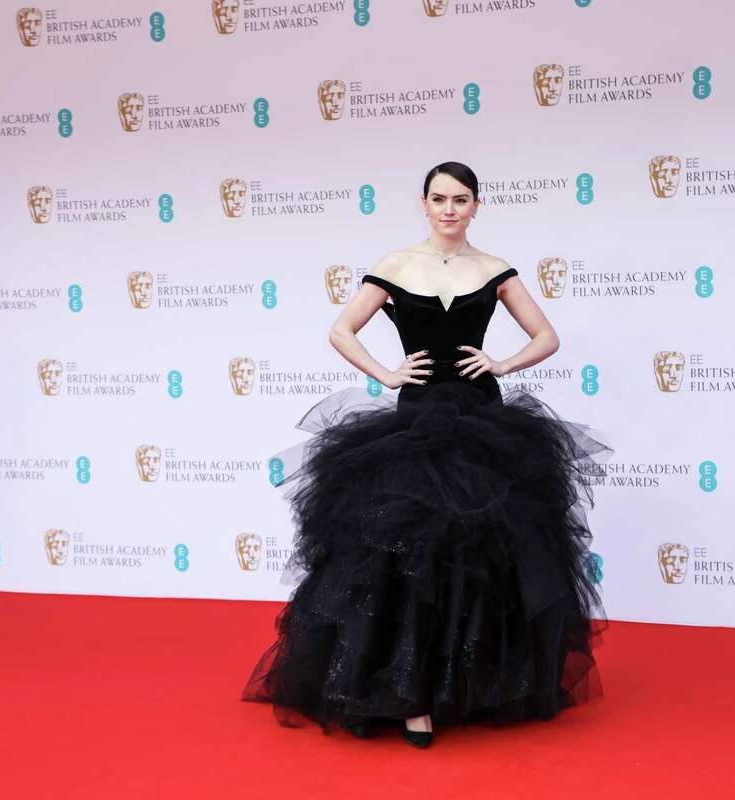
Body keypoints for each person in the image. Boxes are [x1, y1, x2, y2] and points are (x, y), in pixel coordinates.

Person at [241, 161, 611, 748]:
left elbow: (547, 337)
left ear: (476, 205)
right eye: (439, 198)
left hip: (482, 420)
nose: (449, 209)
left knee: (482, 553)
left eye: (460, 199)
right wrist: (387, 373)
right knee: (407, 554)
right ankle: (410, 697)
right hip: (415, 420)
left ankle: (476, 682)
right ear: (424, 203)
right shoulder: (395, 264)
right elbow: (341, 330)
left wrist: (501, 364)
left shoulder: (494, 268)